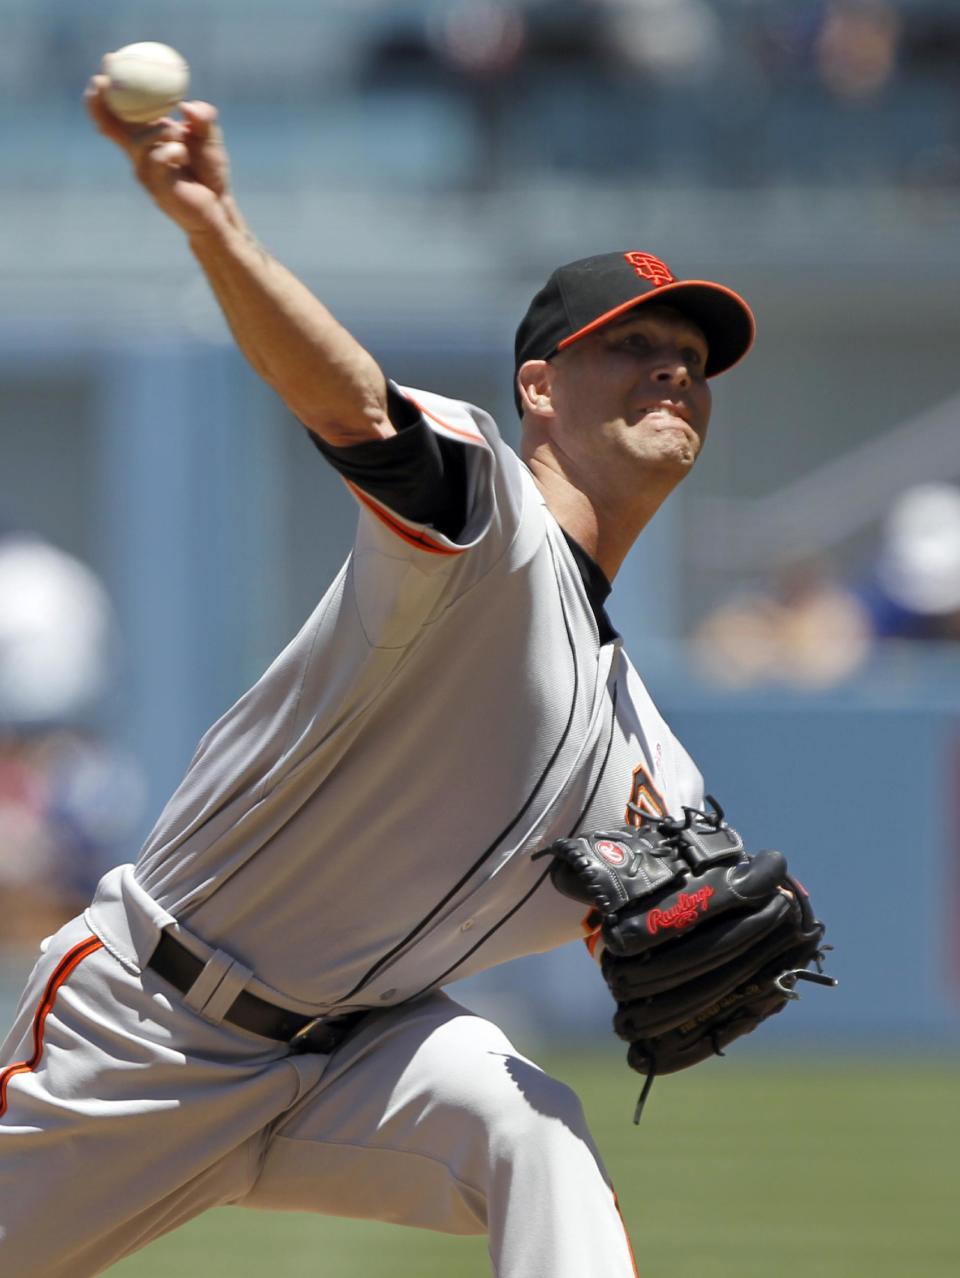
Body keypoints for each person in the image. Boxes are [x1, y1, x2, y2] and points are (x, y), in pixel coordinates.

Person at [0, 81, 755, 1278]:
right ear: (541, 390)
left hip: (361, 1055)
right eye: (635, 345)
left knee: (532, 1129)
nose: (675, 372)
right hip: (150, 1031)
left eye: (692, 358)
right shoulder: (487, 519)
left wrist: (673, 950)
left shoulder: (652, 757)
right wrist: (217, 231)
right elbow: (348, 404)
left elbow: (664, 933)